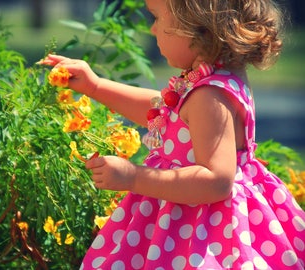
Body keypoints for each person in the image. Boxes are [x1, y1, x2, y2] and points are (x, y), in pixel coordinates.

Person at [39, 0, 305, 268]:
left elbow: (215, 181)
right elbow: (166, 112)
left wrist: (133, 176)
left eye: (157, 18)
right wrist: (95, 86)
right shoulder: (210, 78)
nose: (152, 30)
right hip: (196, 216)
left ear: (196, 28)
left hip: (200, 230)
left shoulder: (209, 96)